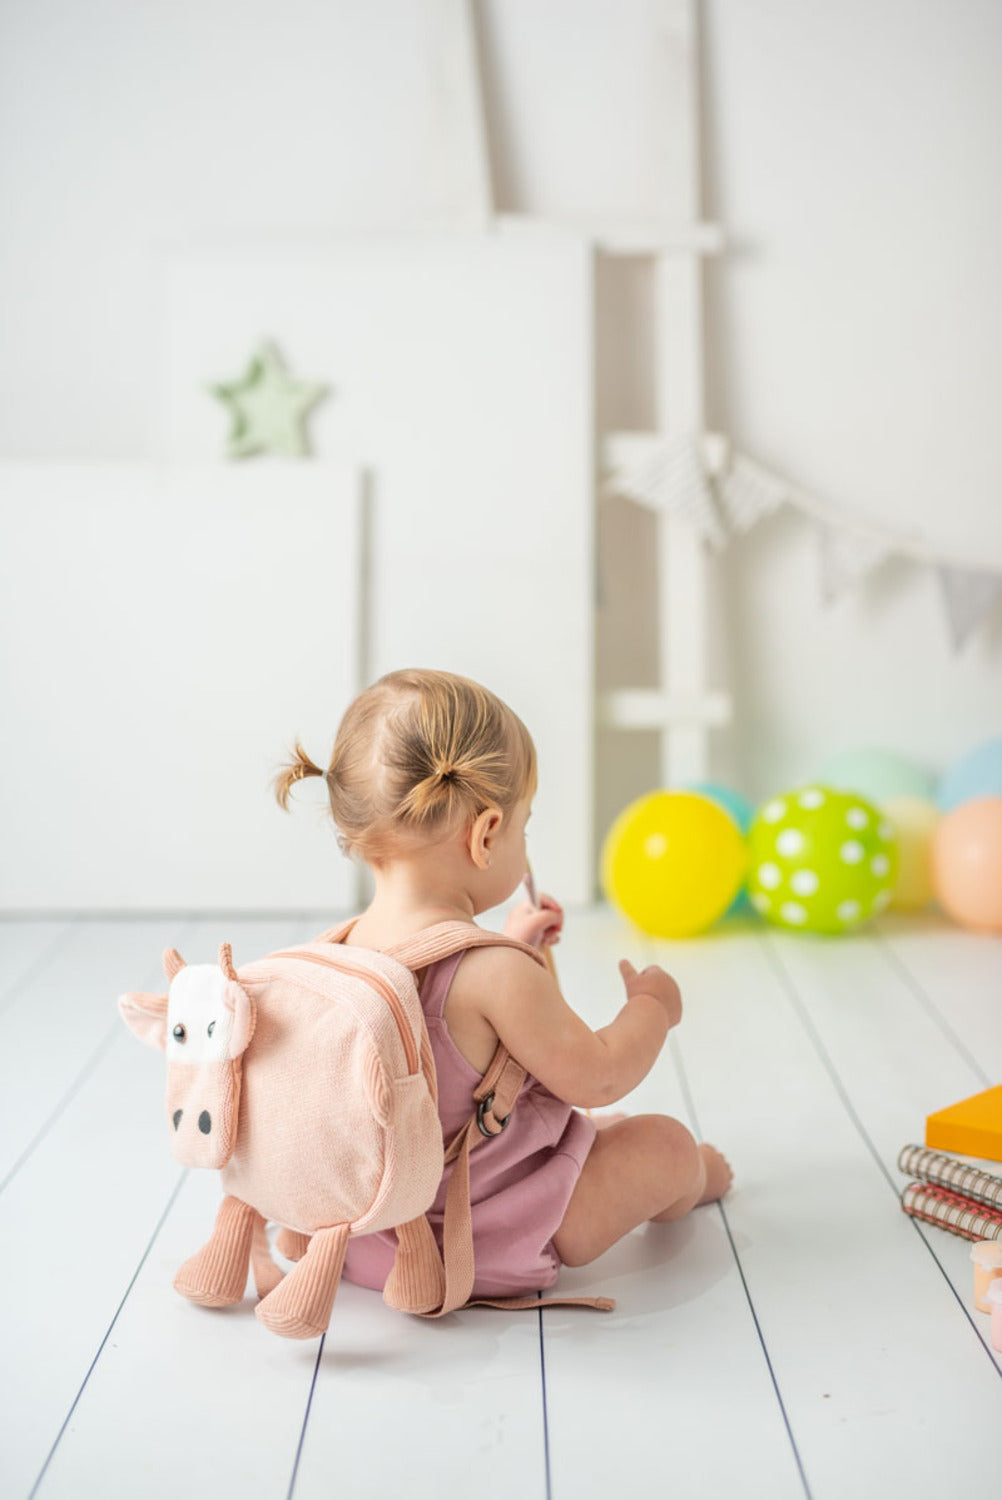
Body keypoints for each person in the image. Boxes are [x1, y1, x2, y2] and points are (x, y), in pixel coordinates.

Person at [272, 667, 733, 1301]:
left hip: (364, 1241)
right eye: (524, 825)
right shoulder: (496, 975)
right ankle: (699, 1175)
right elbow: (597, 1078)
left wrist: (518, 945)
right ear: (488, 834)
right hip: (480, 1243)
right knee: (663, 1144)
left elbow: (459, 1037)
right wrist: (653, 1007)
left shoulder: (339, 956)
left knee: (591, 1132)